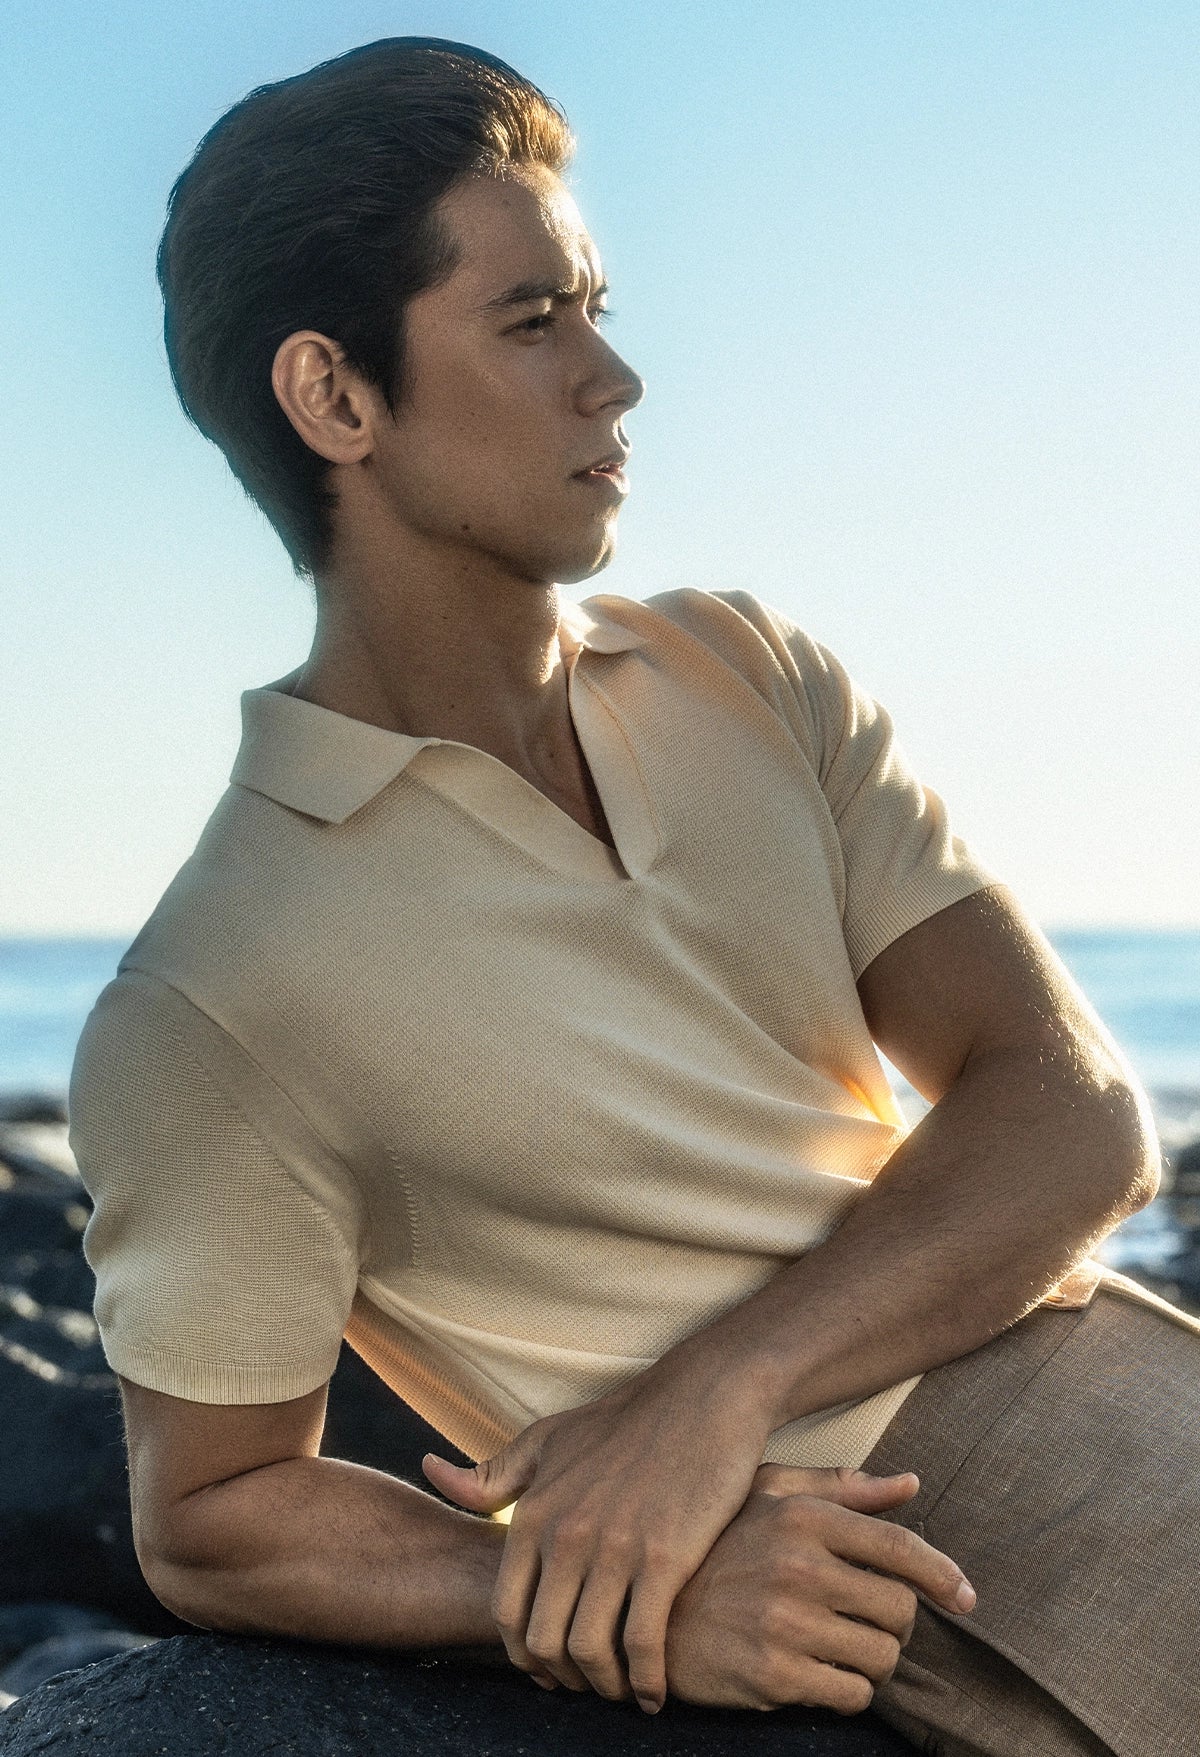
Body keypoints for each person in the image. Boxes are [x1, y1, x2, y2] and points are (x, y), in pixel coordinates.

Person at [67, 37, 1200, 1757]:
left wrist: (709, 1391)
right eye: (534, 322)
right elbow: (212, 1509)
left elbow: (1073, 1116)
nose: (616, 378)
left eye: (594, 306)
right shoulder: (211, 993)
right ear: (336, 399)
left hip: (1132, 1377)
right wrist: (573, 1584)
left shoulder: (753, 671)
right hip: (914, 1553)